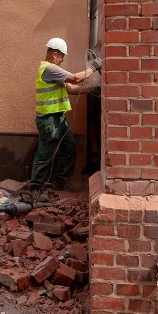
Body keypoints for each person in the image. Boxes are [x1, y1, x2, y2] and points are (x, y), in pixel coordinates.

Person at [24, 37, 98, 203]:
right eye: (62, 55)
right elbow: (75, 79)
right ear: (54, 54)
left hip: (58, 118)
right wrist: (94, 67)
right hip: (49, 120)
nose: (63, 59)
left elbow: (71, 88)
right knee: (44, 155)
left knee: (69, 148)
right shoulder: (49, 69)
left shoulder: (54, 71)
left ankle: (59, 182)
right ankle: (35, 189)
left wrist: (93, 89)